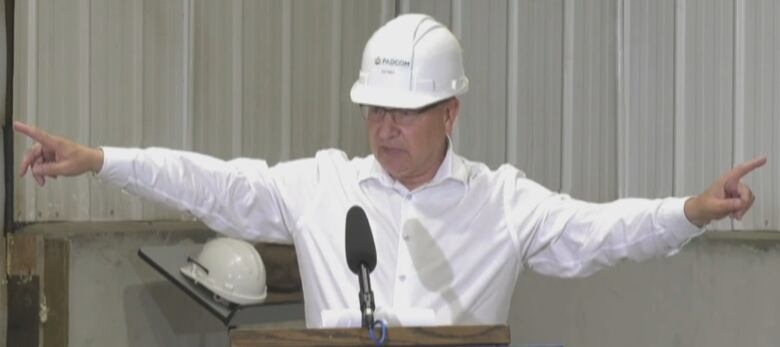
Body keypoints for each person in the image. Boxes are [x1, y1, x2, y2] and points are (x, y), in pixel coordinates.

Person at [14, 14, 765, 328]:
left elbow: (600, 231)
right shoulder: (323, 186)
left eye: (403, 113)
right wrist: (102, 160)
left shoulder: (501, 203)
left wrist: (691, 210)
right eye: (375, 110)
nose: (384, 127)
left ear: (451, 114)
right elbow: (215, 182)